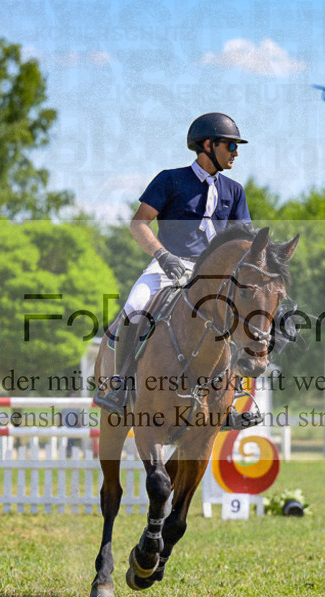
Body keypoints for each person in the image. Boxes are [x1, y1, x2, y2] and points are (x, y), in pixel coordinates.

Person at [95, 113, 251, 415]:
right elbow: (139, 223)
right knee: (135, 307)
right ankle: (120, 383)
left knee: (244, 315)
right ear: (208, 145)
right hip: (169, 266)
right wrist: (162, 255)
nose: (236, 153)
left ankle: (233, 396)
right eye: (230, 146)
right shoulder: (170, 180)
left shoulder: (234, 191)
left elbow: (243, 237)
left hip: (214, 276)